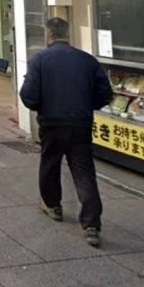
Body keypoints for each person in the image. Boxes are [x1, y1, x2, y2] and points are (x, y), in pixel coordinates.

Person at [19, 17, 113, 248]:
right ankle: (91, 224)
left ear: (48, 35)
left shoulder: (39, 60)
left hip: (51, 123)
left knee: (50, 163)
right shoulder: (87, 60)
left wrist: (42, 105)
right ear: (68, 34)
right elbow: (105, 93)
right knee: (83, 171)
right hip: (80, 123)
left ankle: (53, 205)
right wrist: (86, 104)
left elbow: (28, 95)